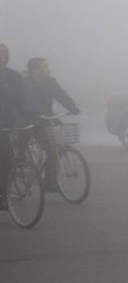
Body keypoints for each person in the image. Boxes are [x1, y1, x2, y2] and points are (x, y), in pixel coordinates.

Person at [23, 57, 81, 191]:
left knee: (56, 147)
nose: (48, 69)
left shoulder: (51, 81)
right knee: (22, 148)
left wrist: (72, 107)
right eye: (45, 67)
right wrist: (29, 114)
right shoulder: (24, 83)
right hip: (30, 119)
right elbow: (20, 101)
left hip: (47, 117)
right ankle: (16, 169)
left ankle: (50, 181)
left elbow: (61, 94)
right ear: (34, 70)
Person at [0, 44, 37, 209]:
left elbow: (23, 100)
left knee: (7, 161)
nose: (3, 58)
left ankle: (3, 195)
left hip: (4, 126)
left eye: (6, 55)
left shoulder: (12, 76)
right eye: (0, 55)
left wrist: (30, 119)